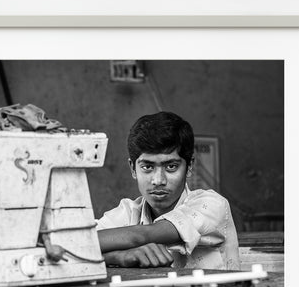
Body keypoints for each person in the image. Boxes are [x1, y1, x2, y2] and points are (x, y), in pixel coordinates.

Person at [96, 112, 240, 270]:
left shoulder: (212, 205)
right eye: (147, 167)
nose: (158, 180)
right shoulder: (128, 213)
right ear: (133, 168)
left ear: (189, 166)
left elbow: (138, 236)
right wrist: (116, 257)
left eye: (171, 166)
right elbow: (74, 247)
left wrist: (108, 253)